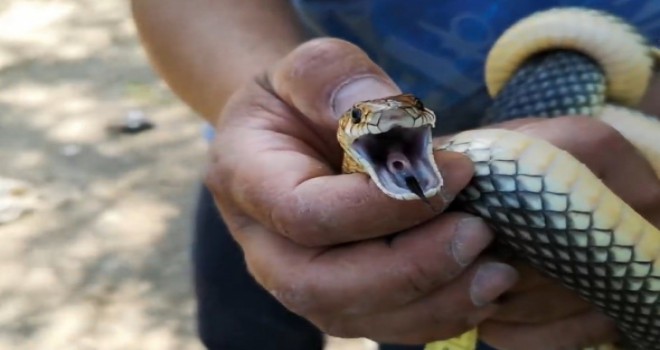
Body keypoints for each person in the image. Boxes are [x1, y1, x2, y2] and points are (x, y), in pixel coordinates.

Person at [130, 1, 660, 349]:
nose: (383, 114)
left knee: (438, 316)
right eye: (368, 118)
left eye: (403, 113)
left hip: (606, 132)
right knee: (243, 331)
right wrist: (258, 112)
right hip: (286, 165)